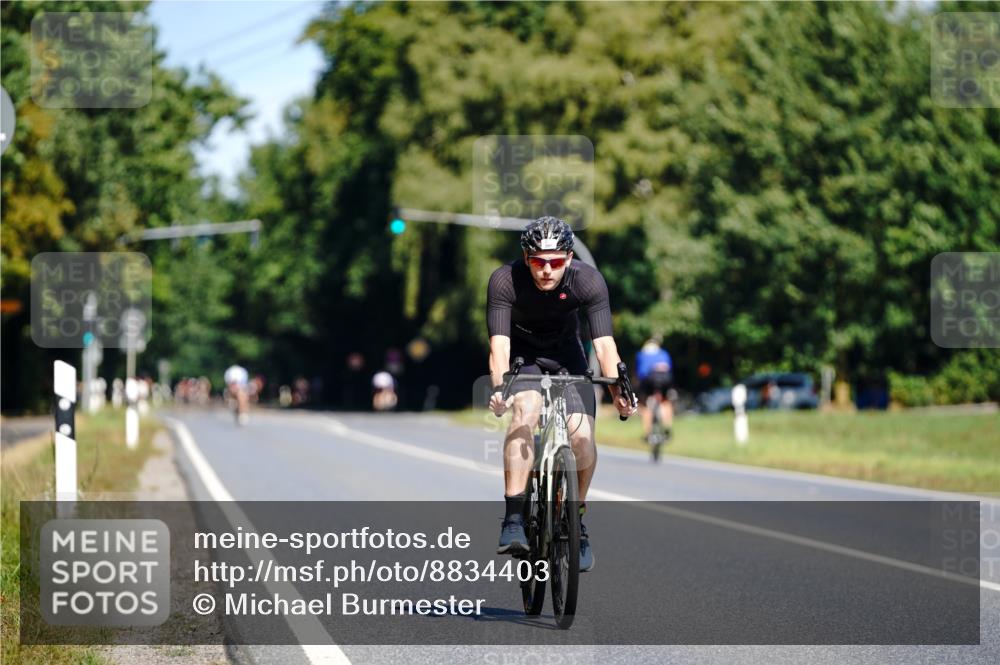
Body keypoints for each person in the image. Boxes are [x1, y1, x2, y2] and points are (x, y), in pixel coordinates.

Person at [487, 216, 635, 572]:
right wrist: (499, 388)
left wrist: (619, 389)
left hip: (568, 358)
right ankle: (513, 518)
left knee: (582, 436)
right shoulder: (505, 280)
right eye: (538, 261)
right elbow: (499, 346)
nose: (546, 270)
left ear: (569, 258)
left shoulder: (588, 280)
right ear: (527, 258)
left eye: (555, 261)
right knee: (527, 409)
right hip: (523, 359)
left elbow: (604, 345)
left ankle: (576, 521)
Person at [635, 338, 674, 443]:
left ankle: (647, 434)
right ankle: (667, 429)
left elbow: (639, 373)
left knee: (644, 405)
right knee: (666, 401)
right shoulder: (664, 353)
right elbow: (670, 368)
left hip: (649, 380)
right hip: (666, 378)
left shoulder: (641, 354)